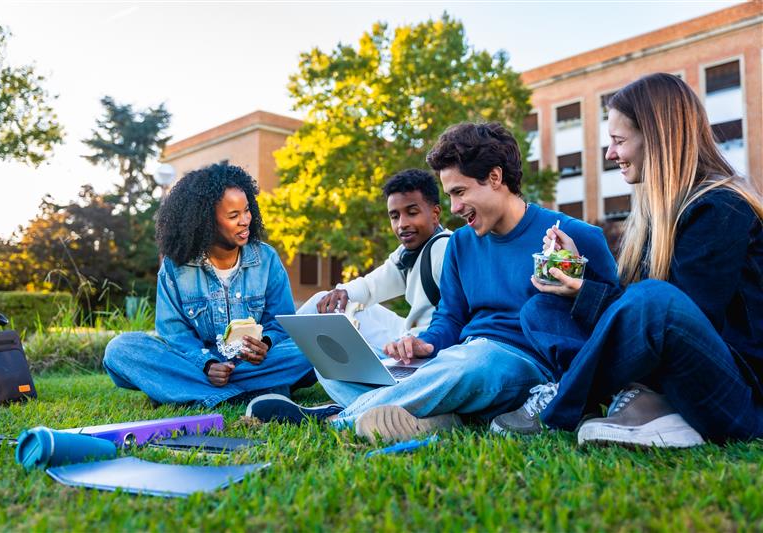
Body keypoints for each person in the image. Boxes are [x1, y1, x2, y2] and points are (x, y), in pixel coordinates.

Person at [252, 122, 618, 442]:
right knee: (332, 368)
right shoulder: (461, 243)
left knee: (473, 361)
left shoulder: (574, 236)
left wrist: (578, 283)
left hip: (520, 367)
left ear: (494, 178)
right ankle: (439, 416)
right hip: (457, 358)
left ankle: (337, 420)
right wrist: (424, 343)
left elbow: (615, 319)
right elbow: (451, 320)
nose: (455, 209)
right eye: (449, 196)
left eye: (460, 192)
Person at [492, 73, 763, 448]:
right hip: (671, 374)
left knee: (654, 300)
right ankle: (630, 402)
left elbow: (678, 320)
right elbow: (638, 315)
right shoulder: (658, 215)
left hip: (736, 395)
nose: (610, 154)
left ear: (657, 139)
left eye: (619, 141)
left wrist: (589, 291)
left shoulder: (721, 207)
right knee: (541, 310)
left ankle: (562, 404)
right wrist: (577, 277)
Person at [246, 168, 451, 422]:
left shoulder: (443, 249)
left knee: (327, 363)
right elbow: (370, 287)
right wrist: (341, 292)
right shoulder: (407, 254)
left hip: (428, 351)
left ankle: (343, 411)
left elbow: (455, 319)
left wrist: (418, 344)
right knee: (325, 311)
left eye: (412, 212)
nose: (402, 224)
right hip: (407, 340)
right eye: (394, 216)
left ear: (435, 213)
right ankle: (274, 366)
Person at [103, 163, 315, 407]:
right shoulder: (176, 267)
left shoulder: (266, 260)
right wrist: (207, 364)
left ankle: (184, 391)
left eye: (247, 211)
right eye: (233, 215)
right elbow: (175, 334)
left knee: (309, 351)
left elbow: (280, 323)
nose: (246, 220)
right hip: (200, 365)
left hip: (256, 364)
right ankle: (248, 393)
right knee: (121, 349)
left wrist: (265, 344)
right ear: (205, 221)